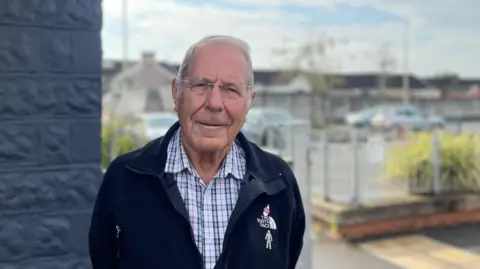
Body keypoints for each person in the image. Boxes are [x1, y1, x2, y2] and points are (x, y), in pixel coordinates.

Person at [88, 35, 305, 269]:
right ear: (176, 92)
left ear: (248, 103)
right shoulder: (125, 178)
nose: (214, 103)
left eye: (230, 89)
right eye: (201, 85)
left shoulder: (278, 182)